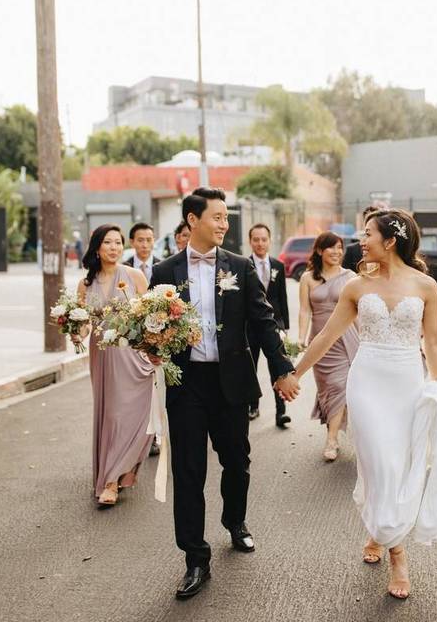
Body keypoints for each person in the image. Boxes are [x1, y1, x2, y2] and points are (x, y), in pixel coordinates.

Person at [289, 209, 437, 600]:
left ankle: (380, 530)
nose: (360, 240)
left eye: (367, 234)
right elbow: (326, 336)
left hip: (406, 381)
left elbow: (433, 342)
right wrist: (294, 374)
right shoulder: (355, 286)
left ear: (390, 240)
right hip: (366, 381)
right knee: (377, 459)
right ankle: (397, 553)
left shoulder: (425, 286)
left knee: (396, 463)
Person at [148, 188, 300, 600]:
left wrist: (282, 368)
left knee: (237, 460)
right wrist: (150, 342)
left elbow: (264, 320)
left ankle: (236, 522)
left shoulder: (241, 266)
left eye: (225, 218)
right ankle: (195, 558)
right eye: (216, 217)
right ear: (192, 220)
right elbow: (152, 325)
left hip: (231, 381)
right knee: (189, 470)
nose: (223, 224)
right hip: (187, 385)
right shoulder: (164, 272)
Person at [73, 224, 154, 507]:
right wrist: (74, 331)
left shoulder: (135, 276)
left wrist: (155, 351)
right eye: (108, 242)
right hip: (103, 357)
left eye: (118, 243)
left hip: (132, 356)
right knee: (110, 416)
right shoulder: (85, 285)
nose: (114, 247)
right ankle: (115, 472)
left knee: (130, 416)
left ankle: (112, 481)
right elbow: (85, 323)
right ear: (97, 247)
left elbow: (150, 320)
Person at [297, 232, 359, 461]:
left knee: (340, 386)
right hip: (320, 342)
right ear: (320, 251)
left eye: (340, 247)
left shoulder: (351, 276)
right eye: (331, 248)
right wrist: (302, 338)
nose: (337, 252)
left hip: (347, 338)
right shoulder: (307, 278)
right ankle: (333, 430)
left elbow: (358, 311)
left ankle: (331, 440)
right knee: (327, 390)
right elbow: (304, 310)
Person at [246, 223, 292, 427]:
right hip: (250, 326)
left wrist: (285, 327)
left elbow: (282, 298)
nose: (260, 243)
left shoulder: (278, 266)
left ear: (269, 241)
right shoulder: (243, 265)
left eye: (264, 239)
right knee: (250, 367)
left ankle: (280, 412)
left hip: (274, 325)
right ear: (250, 241)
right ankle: (252, 406)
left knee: (277, 367)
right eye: (256, 239)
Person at [123, 222, 162, 457]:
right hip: (131, 338)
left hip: (158, 336)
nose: (145, 244)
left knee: (154, 388)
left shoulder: (163, 266)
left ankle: (154, 436)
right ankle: (134, 436)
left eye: (149, 240)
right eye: (140, 240)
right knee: (133, 390)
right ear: (132, 242)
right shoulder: (123, 269)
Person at [342, 205, 380, 272]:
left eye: (374, 219)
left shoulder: (387, 249)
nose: (370, 222)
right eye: (367, 219)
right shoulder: (352, 250)